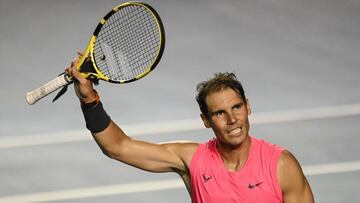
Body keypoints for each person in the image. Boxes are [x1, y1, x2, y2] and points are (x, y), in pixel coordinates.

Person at [66, 57, 314, 203]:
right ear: (206, 120)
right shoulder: (192, 160)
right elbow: (117, 147)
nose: (232, 119)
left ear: (248, 107)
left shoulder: (282, 165)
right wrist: (89, 99)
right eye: (219, 113)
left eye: (237, 107)